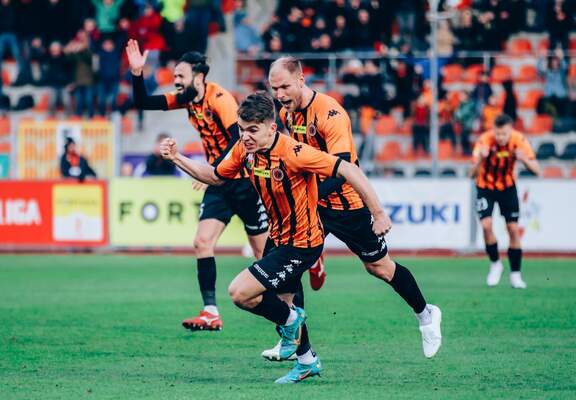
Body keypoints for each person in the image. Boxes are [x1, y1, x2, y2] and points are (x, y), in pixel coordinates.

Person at [159, 91, 390, 383]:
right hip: (279, 239)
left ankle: (293, 322)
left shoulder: (294, 152)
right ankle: (306, 361)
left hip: (302, 243)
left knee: (241, 293)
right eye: (242, 129)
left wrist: (378, 213)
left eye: (252, 130)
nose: (245, 136)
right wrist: (176, 157)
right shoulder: (244, 150)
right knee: (279, 302)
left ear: (271, 127)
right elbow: (216, 176)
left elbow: (347, 168)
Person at [262, 56, 442, 361]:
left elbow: (342, 168)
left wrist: (306, 196)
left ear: (301, 80)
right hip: (313, 206)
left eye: (285, 87)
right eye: (274, 88)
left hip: (347, 203)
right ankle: (294, 341)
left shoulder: (330, 113)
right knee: (284, 264)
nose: (279, 94)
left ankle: (426, 314)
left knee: (380, 267)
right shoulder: (286, 113)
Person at [126, 39, 268, 331]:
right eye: (174, 76)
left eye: (181, 76)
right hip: (219, 181)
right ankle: (211, 312)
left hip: (243, 182)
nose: (176, 81)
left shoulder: (221, 100)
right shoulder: (186, 98)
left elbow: (238, 141)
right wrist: (137, 74)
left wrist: (212, 172)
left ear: (199, 77)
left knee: (263, 255)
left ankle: (292, 307)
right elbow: (142, 103)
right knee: (202, 242)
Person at [470, 114, 541, 289]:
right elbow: (471, 174)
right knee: (486, 225)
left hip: (508, 188)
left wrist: (524, 159)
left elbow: (537, 170)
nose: (501, 137)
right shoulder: (484, 141)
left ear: (511, 131)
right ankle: (496, 264)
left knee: (513, 229)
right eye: (498, 134)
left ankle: (515, 274)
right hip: (485, 187)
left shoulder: (519, 140)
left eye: (504, 134)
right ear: (493, 131)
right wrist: (481, 159)